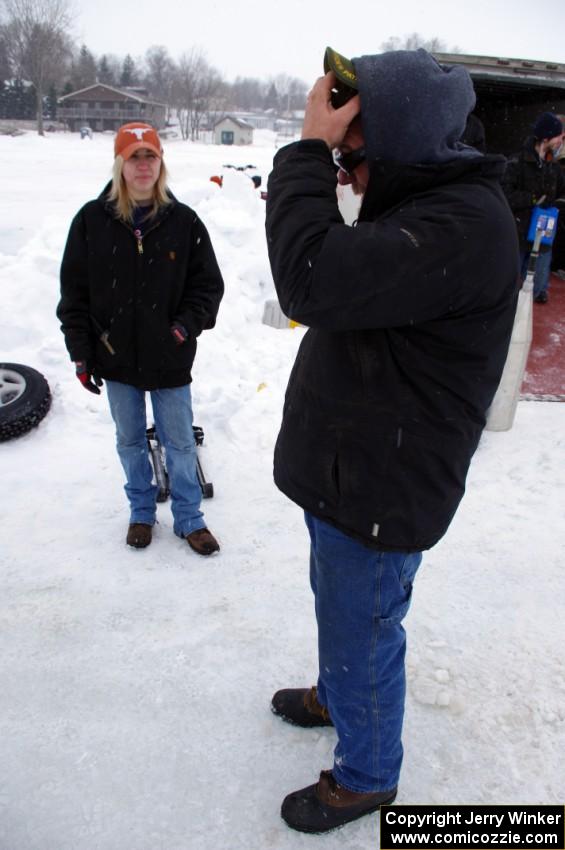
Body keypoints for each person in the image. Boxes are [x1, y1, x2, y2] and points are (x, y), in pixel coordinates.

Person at [265, 47, 519, 834]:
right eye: (336, 160)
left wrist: (304, 152)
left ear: (404, 143)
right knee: (342, 609)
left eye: (351, 156)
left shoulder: (459, 227)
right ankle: (339, 692)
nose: (341, 175)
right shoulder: (425, 205)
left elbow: (307, 276)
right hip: (352, 469)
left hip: (381, 484)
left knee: (364, 623)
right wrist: (335, 154)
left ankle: (368, 775)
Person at [57, 122, 224, 554]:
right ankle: (142, 513)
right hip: (115, 357)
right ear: (120, 164)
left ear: (161, 162)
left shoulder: (183, 221)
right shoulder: (92, 222)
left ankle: (190, 519)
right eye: (135, 157)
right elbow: (73, 295)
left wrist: (183, 326)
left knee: (181, 443)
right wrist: (81, 352)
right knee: (130, 442)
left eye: (151, 156)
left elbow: (207, 287)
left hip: (169, 354)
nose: (144, 165)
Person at [502, 112, 565, 303]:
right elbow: (504, 194)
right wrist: (533, 199)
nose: (561, 142)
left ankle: (537, 295)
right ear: (547, 137)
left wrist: (557, 205)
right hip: (519, 231)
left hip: (543, 233)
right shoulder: (517, 163)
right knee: (509, 285)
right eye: (559, 137)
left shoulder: (553, 168)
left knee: (537, 291)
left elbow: (562, 192)